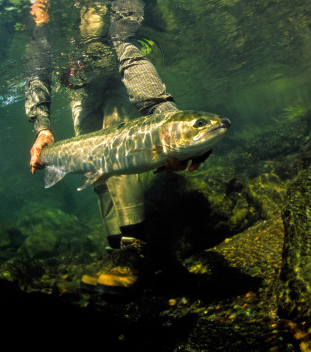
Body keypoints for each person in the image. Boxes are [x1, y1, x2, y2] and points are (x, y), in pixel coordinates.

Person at [25, 0, 202, 295]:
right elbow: (38, 68)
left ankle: (135, 249)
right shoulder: (43, 10)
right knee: (94, 165)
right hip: (80, 86)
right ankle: (116, 250)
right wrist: (41, 126)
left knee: (118, 144)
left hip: (117, 78)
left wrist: (168, 119)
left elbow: (129, 54)